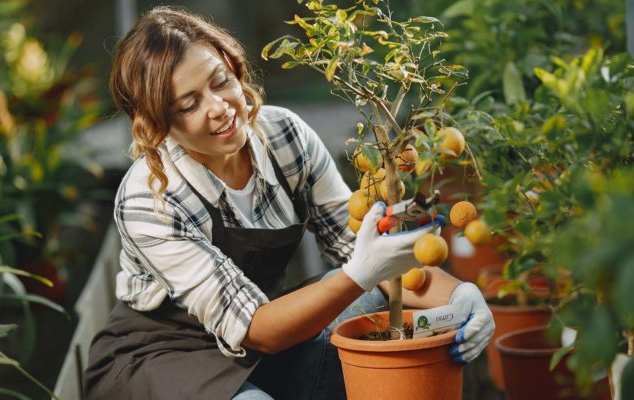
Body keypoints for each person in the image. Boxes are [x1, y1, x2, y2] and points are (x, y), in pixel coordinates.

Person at [84, 6, 495, 400]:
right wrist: (360, 272)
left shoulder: (285, 137)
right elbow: (258, 328)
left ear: (234, 65)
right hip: (162, 361)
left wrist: (460, 296)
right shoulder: (149, 198)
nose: (220, 107)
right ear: (159, 125)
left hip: (259, 349)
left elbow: (366, 251)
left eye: (220, 80)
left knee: (390, 310)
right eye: (188, 105)